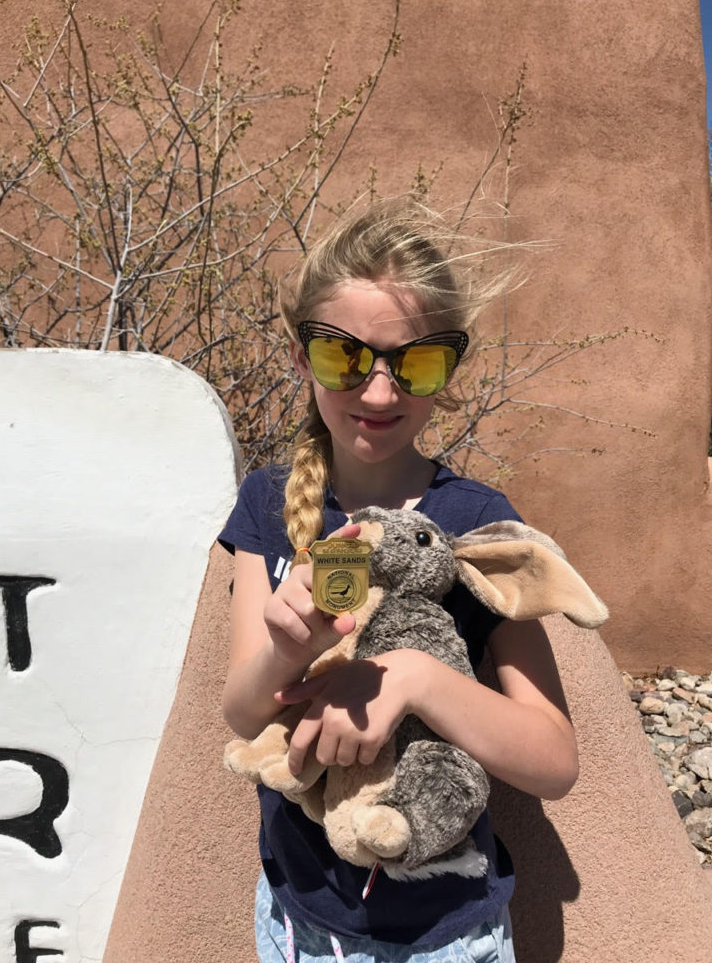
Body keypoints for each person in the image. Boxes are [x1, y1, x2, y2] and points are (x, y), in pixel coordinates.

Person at [220, 199, 578, 963]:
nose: (378, 393)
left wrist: (414, 678)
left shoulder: (473, 521)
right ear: (299, 356)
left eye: (413, 363)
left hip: (445, 936)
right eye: (343, 357)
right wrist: (286, 653)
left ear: (449, 369)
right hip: (293, 923)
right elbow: (241, 714)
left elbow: (553, 761)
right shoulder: (264, 503)